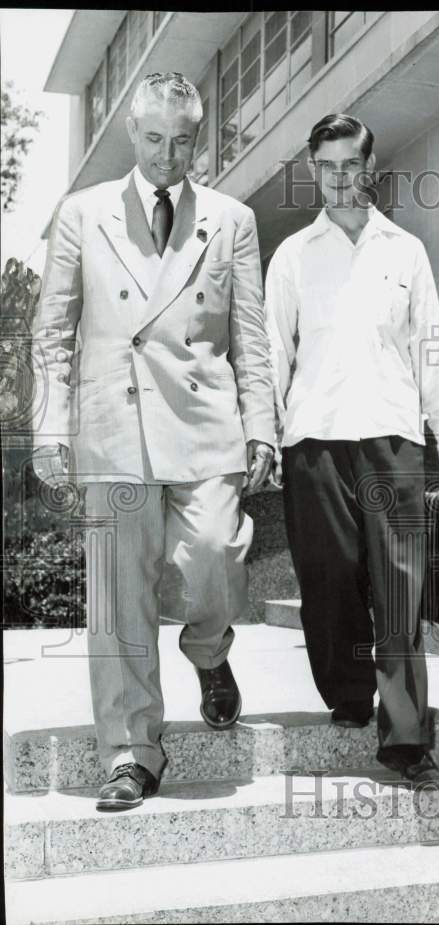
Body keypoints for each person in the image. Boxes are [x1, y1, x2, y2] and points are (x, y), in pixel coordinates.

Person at [31, 72, 275, 811]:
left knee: (211, 559)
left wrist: (263, 424)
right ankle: (130, 751)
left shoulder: (231, 219)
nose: (168, 156)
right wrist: (51, 424)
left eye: (183, 141)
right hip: (113, 425)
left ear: (198, 139)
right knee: (117, 598)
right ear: (131, 135)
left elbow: (252, 338)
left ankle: (208, 649)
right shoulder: (82, 213)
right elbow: (53, 331)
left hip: (206, 422)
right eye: (155, 139)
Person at [265, 113, 439, 789]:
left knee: (400, 587)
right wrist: (264, 431)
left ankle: (408, 740)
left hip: (392, 436)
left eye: (351, 164)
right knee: (329, 576)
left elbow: (428, 342)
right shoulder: (293, 256)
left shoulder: (404, 250)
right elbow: (273, 353)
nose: (340, 178)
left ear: (370, 167)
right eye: (327, 166)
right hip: (315, 438)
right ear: (313, 170)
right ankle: (348, 691)